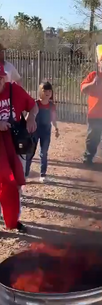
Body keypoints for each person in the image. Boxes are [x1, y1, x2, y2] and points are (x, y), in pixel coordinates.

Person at [0, 64, 38, 233]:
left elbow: (33, 105)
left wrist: (31, 117)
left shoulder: (14, 90)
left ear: (3, 78)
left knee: (14, 183)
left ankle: (13, 220)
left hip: (13, 144)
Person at [25, 82, 59, 182]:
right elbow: (29, 117)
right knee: (30, 152)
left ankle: (43, 175)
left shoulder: (52, 105)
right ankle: (25, 174)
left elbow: (53, 118)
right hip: (34, 131)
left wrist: (56, 128)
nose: (48, 93)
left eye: (49, 90)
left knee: (44, 153)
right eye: (45, 91)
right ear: (41, 91)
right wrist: (26, 127)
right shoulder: (35, 103)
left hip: (46, 132)